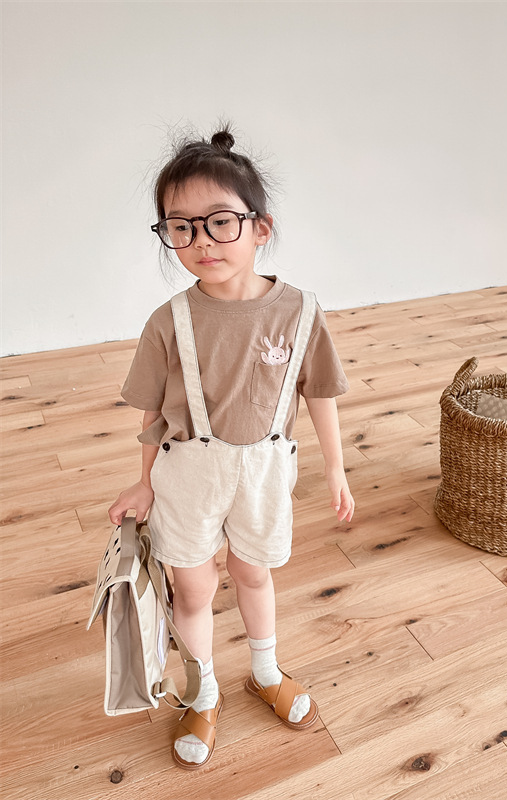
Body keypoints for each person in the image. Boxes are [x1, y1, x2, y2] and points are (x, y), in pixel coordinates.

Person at [108, 127, 355, 770]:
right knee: (192, 590)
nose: (202, 242)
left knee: (253, 573)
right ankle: (203, 691)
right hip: (186, 474)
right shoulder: (168, 321)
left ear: (260, 228)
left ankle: (265, 672)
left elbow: (319, 392)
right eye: (180, 227)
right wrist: (143, 481)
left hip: (266, 472)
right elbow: (152, 411)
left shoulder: (301, 311)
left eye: (220, 222)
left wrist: (335, 467)